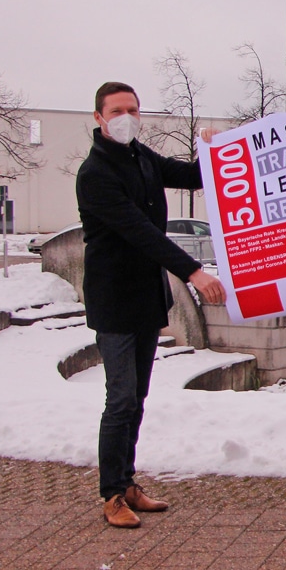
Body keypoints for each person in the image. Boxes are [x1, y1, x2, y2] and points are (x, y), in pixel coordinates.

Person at [76, 81, 226, 529]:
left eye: (133, 109)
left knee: (136, 398)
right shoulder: (95, 174)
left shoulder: (142, 157)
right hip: (115, 300)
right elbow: (140, 231)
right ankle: (111, 495)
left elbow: (192, 176)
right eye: (117, 110)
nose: (127, 117)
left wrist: (219, 152)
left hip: (145, 299)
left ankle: (127, 484)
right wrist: (193, 272)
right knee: (120, 399)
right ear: (99, 118)